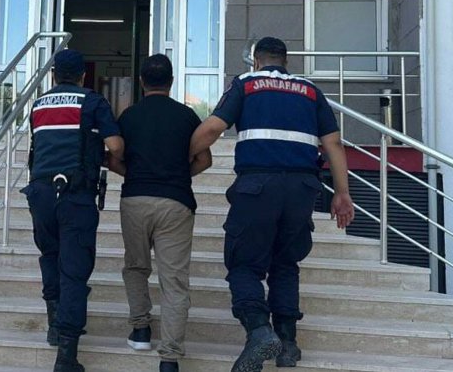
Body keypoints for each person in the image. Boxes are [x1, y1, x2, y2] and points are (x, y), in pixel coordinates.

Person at [189, 37, 355, 372]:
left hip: (257, 186)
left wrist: (184, 157)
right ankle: (288, 343)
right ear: (286, 60)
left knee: (245, 264)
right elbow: (334, 143)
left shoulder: (247, 84)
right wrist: (342, 193)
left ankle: (259, 331)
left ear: (256, 60)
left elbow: (212, 128)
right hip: (302, 188)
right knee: (285, 263)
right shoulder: (310, 90)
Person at [108, 54, 213, 372]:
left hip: (136, 200)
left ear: (141, 82)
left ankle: (141, 330)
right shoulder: (187, 116)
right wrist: (179, 178)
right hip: (176, 203)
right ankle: (169, 358)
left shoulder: (128, 115)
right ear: (171, 82)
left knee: (136, 267)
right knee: (174, 281)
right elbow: (204, 160)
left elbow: (114, 159)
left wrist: (135, 174)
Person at [23, 49, 125, 372]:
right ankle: (66, 355)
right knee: (74, 271)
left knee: (49, 257)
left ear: (53, 75)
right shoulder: (91, 102)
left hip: (40, 194)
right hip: (74, 196)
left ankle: (54, 325)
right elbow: (117, 146)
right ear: (83, 75)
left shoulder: (38, 105)